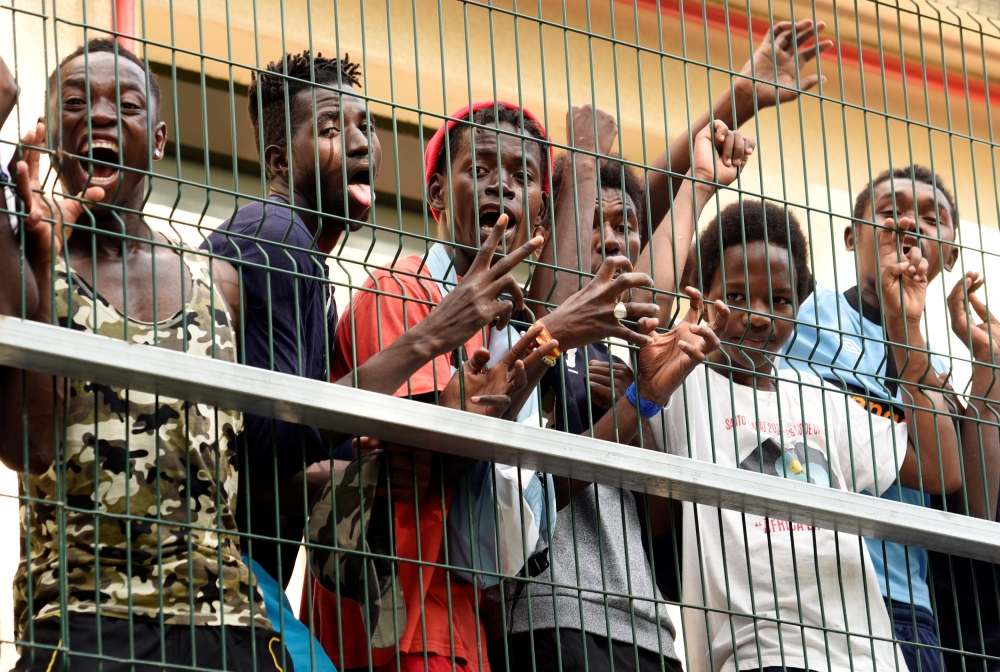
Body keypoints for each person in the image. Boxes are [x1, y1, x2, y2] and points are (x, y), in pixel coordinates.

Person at [204, 51, 555, 671]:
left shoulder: (310, 266)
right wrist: (429, 340)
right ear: (281, 161)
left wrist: (344, 469)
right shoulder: (282, 235)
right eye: (334, 130)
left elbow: (269, 459)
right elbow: (274, 437)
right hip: (230, 583)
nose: (363, 144)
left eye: (367, 127)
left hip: (253, 584)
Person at [305, 99, 663, 672]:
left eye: (523, 176)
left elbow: (511, 519)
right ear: (439, 196)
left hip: (464, 632)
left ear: (541, 218)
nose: (503, 186)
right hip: (386, 631)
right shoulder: (401, 290)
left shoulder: (511, 330)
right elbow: (422, 463)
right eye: (482, 168)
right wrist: (547, 340)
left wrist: (638, 390)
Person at [0, 39, 289, 671]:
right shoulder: (24, 268)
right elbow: (30, 446)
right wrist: (36, 261)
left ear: (158, 141)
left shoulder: (220, 283)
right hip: (84, 622)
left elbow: (276, 448)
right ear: (50, 142)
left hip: (228, 627)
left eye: (123, 105)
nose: (100, 116)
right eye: (76, 103)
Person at [484, 101, 751, 672]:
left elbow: (658, 527)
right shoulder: (530, 319)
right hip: (548, 616)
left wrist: (638, 417)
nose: (612, 240)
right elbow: (568, 288)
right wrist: (582, 158)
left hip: (651, 632)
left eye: (626, 227)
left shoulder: (639, 349)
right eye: (592, 223)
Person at [649, 198, 961, 672]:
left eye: (779, 300)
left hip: (870, 655)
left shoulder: (820, 397)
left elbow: (942, 470)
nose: (759, 316)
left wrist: (907, 329)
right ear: (702, 294)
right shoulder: (677, 387)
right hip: (760, 651)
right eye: (735, 295)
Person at [783, 166, 967, 672]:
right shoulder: (793, 312)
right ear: (850, 237)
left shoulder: (938, 369)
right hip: (797, 579)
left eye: (933, 219)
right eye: (890, 210)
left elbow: (949, 477)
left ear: (948, 255)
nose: (910, 222)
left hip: (902, 606)